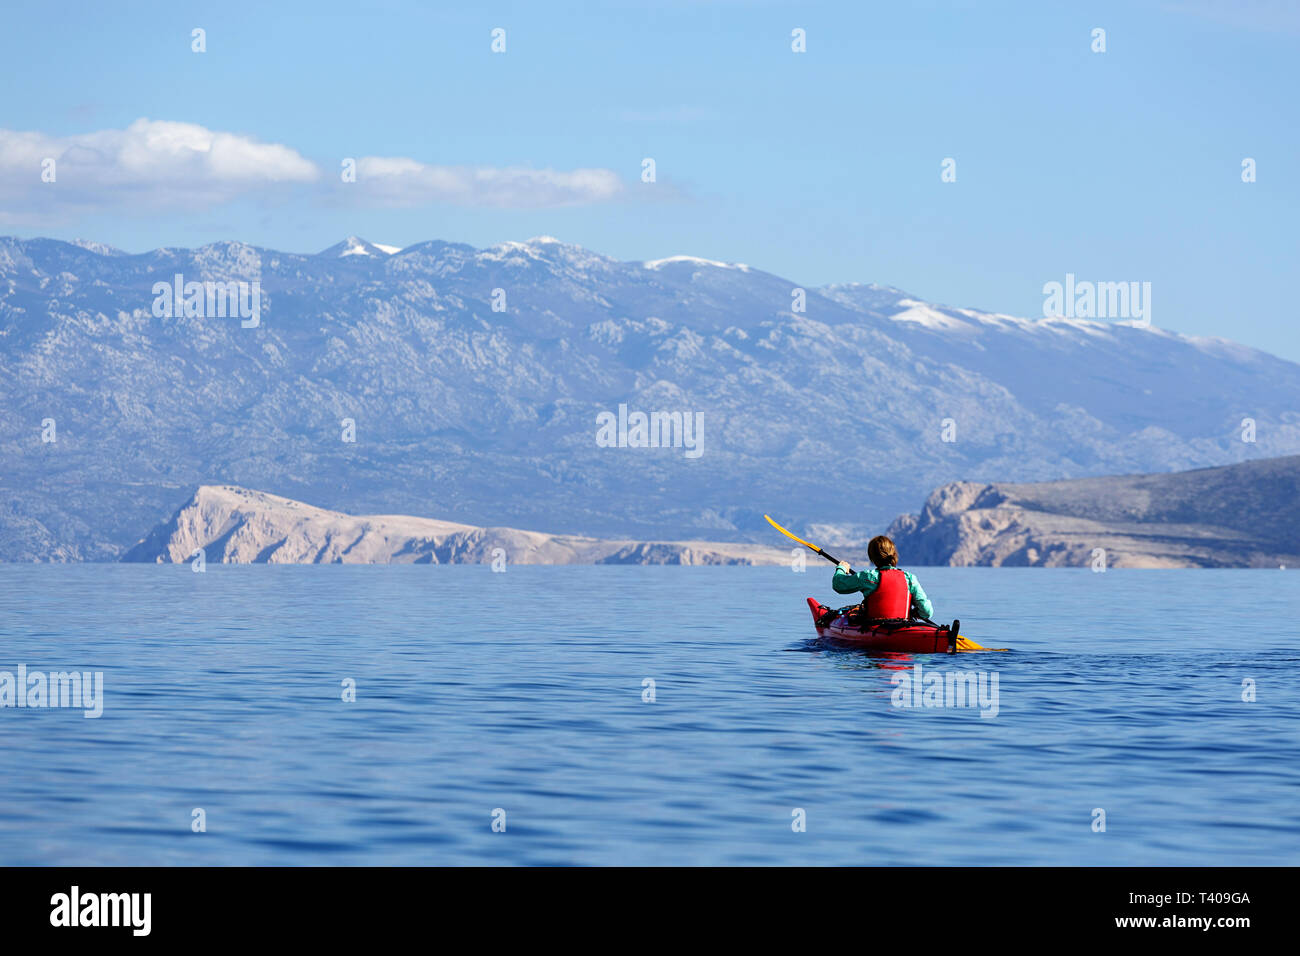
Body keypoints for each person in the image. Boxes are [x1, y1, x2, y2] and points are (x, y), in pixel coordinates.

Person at [832, 534, 933, 620]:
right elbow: (927, 612)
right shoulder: (910, 578)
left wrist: (842, 568)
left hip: (874, 627)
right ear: (894, 555)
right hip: (903, 626)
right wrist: (914, 613)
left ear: (872, 558)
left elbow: (838, 585)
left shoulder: (867, 577)